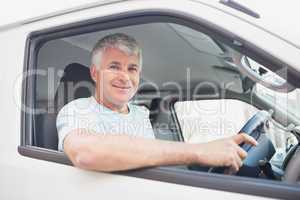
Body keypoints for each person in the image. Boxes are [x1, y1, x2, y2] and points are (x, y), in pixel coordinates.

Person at [56, 33, 257, 173]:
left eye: (132, 69)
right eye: (114, 67)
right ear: (95, 73)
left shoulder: (139, 113)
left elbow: (150, 161)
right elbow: (86, 154)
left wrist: (215, 152)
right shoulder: (76, 110)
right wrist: (199, 151)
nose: (125, 77)